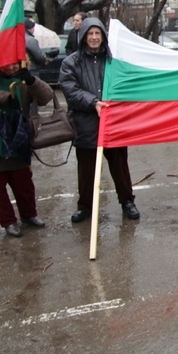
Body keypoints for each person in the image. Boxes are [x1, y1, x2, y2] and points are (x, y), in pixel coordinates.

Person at [59, 17, 140, 222]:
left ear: (103, 36)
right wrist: (93, 102)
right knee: (86, 171)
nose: (94, 38)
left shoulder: (114, 61)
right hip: (86, 125)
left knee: (120, 166)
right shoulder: (71, 62)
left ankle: (127, 202)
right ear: (83, 36)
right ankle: (85, 206)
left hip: (114, 124)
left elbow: (127, 85)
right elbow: (70, 89)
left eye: (98, 33)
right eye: (90, 33)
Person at [0, 61, 53, 236]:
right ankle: (8, 222)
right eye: (5, 64)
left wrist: (32, 81)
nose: (10, 67)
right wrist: (6, 97)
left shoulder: (23, 80)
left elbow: (46, 97)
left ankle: (29, 215)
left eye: (14, 64)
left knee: (24, 184)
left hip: (18, 139)